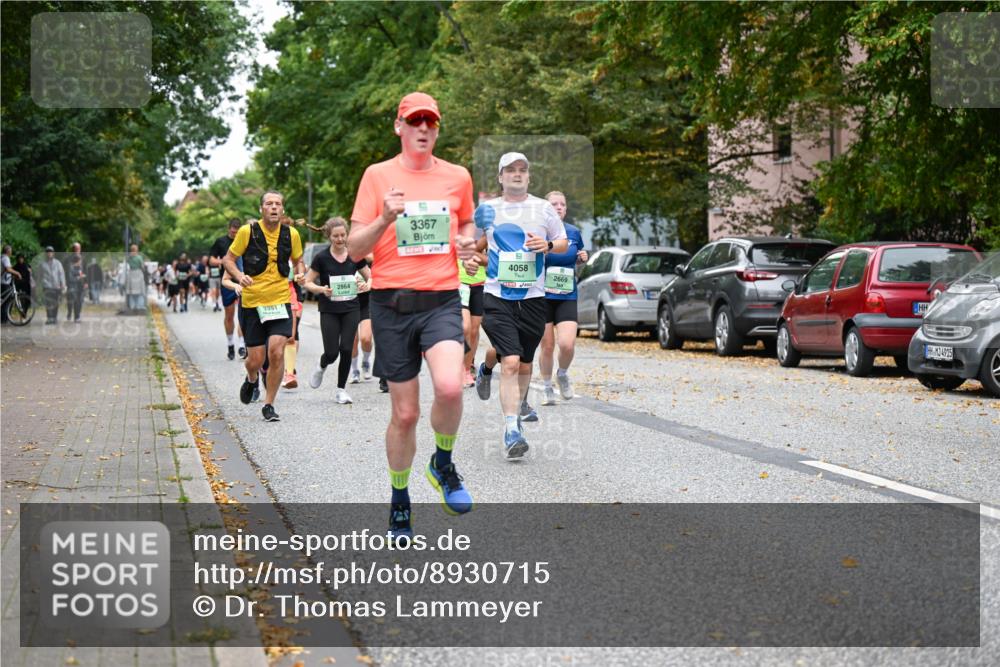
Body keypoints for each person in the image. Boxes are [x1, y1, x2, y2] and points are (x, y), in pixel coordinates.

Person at [348, 91, 477, 541]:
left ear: (437, 129)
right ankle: (399, 498)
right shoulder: (377, 176)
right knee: (405, 414)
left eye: (431, 122)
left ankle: (442, 463)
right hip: (390, 304)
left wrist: (468, 243)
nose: (424, 128)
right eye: (415, 121)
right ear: (399, 126)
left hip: (440, 298)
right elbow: (354, 249)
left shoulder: (457, 176)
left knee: (449, 385)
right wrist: (384, 218)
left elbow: (467, 224)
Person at [470, 152, 568, 459]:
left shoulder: (543, 208)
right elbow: (472, 245)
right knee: (510, 361)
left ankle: (489, 375)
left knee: (525, 364)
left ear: (528, 177)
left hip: (534, 298)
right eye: (510, 170)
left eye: (522, 170)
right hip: (496, 295)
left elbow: (562, 241)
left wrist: (548, 246)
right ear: (500, 177)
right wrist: (472, 259)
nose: (516, 174)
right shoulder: (487, 210)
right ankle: (511, 428)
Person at [222, 191, 305, 422]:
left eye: (278, 204)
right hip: (252, 304)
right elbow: (228, 260)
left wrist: (300, 274)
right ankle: (251, 378)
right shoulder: (247, 232)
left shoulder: (292, 234)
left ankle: (269, 404)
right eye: (269, 204)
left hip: (279, 302)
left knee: (277, 351)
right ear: (261, 209)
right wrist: (239, 276)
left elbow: (299, 261)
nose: (274, 207)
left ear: (283, 210)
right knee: (255, 361)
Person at [305, 217, 372, 404]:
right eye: (336, 236)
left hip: (351, 307)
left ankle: (341, 390)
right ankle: (322, 364)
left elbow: (370, 275)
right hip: (329, 309)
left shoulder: (354, 255)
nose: (340, 239)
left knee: (346, 348)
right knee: (332, 352)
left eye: (343, 235)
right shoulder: (322, 258)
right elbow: (309, 282)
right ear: (329, 236)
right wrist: (321, 290)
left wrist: (368, 284)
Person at [538, 190, 588, 405]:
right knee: (547, 346)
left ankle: (563, 374)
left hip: (567, 295)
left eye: (562, 204)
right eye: (554, 204)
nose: (559, 207)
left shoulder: (574, 232)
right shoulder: (538, 232)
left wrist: (581, 259)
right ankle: (547, 387)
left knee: (567, 344)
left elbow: (577, 256)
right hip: (542, 296)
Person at [210, 218, 246, 360]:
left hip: (243, 281)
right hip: (227, 282)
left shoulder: (244, 240)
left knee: (243, 315)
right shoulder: (221, 242)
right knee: (230, 315)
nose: (235, 234)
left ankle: (242, 345)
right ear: (229, 229)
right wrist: (225, 262)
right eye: (233, 232)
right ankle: (230, 343)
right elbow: (211, 260)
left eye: (238, 232)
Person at [459, 246, 487, 387]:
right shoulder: (457, 228)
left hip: (479, 282)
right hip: (459, 281)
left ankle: (466, 369)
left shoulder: (483, 229)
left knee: (475, 330)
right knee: (466, 328)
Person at [349, 257, 375, 384]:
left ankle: (366, 361)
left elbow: (374, 275)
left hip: (366, 302)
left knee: (366, 338)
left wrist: (368, 285)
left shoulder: (365, 258)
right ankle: (354, 370)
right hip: (349, 303)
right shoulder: (342, 258)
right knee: (352, 341)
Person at [38, 246, 66, 324]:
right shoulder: (42, 264)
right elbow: (40, 275)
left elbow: (61, 274)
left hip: (56, 286)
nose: (49, 254)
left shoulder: (58, 263)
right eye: (48, 252)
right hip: (47, 286)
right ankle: (49, 318)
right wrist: (39, 284)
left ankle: (54, 317)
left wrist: (63, 284)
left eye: (51, 252)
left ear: (53, 253)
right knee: (48, 302)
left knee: (55, 302)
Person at [64, 243, 86, 322]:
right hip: (71, 283)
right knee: (71, 300)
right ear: (73, 249)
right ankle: (70, 312)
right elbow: (66, 272)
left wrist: (85, 281)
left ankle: (77, 316)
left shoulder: (82, 258)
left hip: (80, 283)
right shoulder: (68, 259)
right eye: (76, 249)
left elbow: (85, 270)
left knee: (79, 300)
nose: (78, 250)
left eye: (79, 249)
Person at [1, 245, 22, 324]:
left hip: (3, 282)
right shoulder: (5, 258)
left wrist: (13, 274)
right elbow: (8, 269)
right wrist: (17, 273)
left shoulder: (1, 257)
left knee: (4, 300)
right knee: (6, 301)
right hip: (4, 283)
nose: (11, 252)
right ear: (8, 251)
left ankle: (4, 319)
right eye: (11, 251)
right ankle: (4, 320)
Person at [124, 244, 148, 312]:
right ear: (136, 250)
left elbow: (126, 262)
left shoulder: (128, 257)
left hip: (131, 273)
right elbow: (142, 266)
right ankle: (139, 306)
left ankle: (132, 305)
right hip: (138, 273)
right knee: (140, 290)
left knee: (131, 291)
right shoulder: (139, 257)